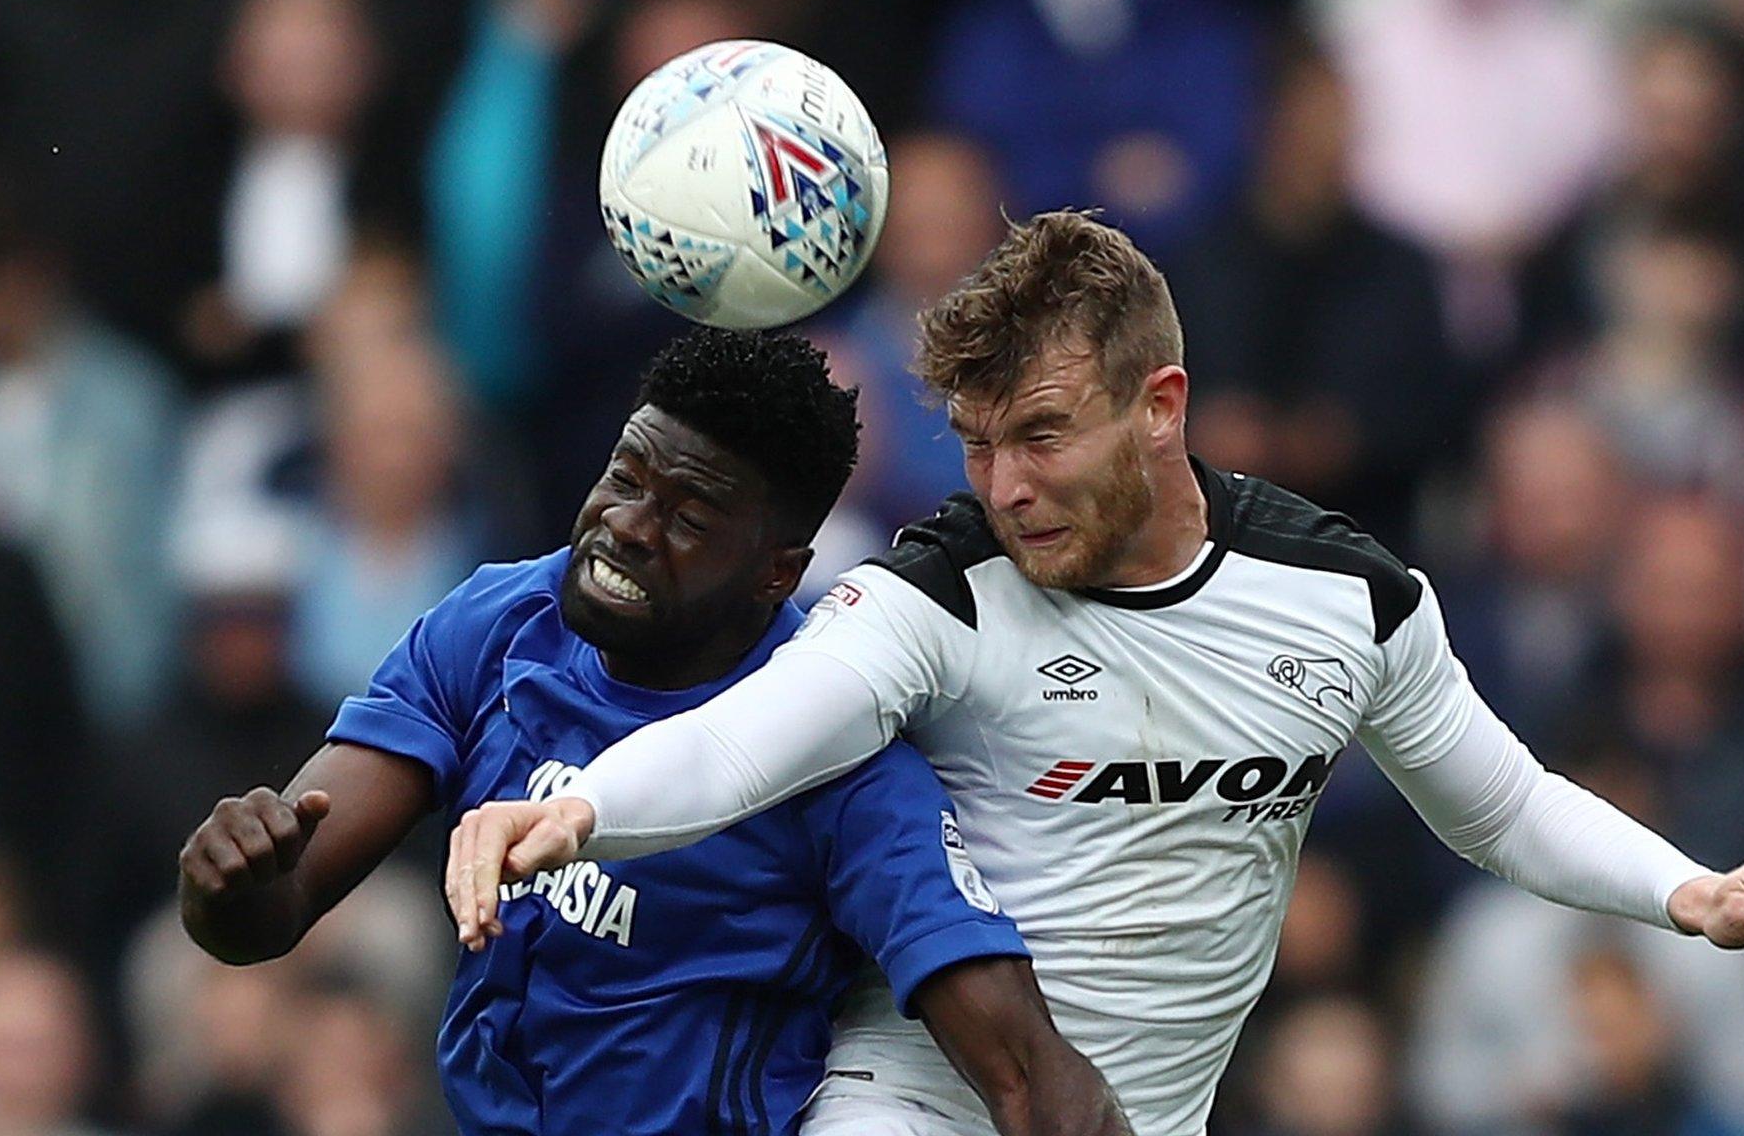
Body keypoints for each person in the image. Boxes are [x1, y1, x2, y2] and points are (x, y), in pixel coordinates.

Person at [454, 211, 1744, 1136]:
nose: (1003, 486)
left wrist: (1689, 889)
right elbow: (756, 735)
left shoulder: (1345, 598)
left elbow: (1502, 806)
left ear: (1159, 406)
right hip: (910, 1104)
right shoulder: (939, 593)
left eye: (1042, 435)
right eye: (978, 442)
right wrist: (576, 810)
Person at [178, 328, 1127, 1136]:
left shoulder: (839, 756)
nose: (629, 527)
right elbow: (273, 910)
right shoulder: (497, 624)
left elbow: (1030, 1077)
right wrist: (226, 883)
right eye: (626, 477)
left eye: (689, 517)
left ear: (773, 572)